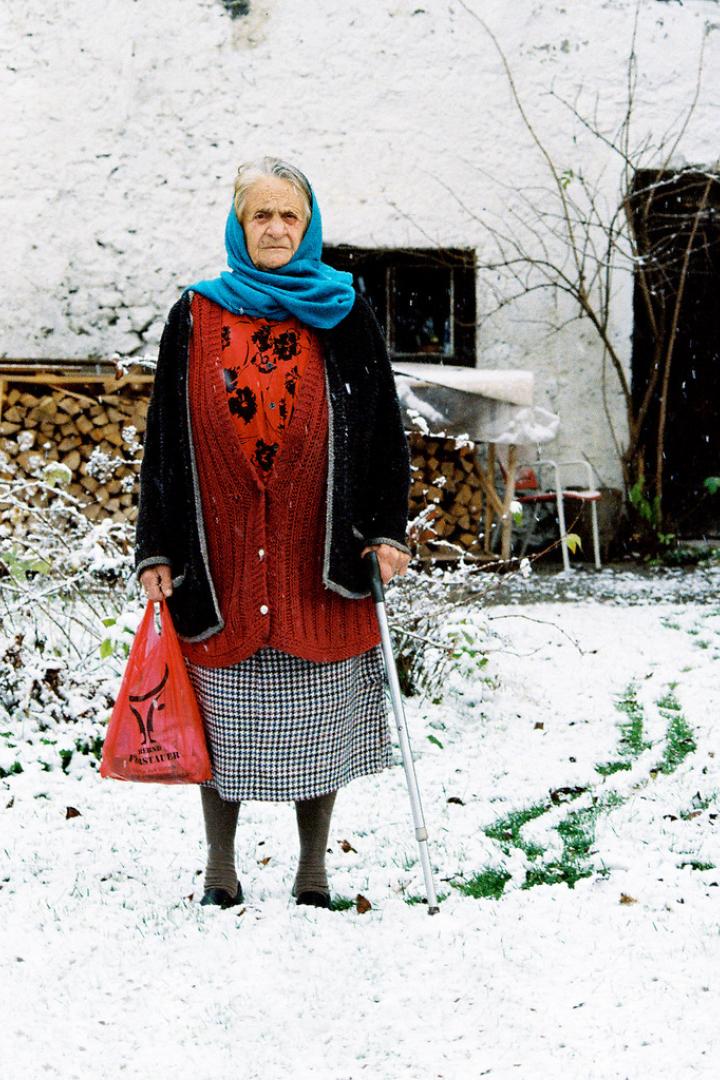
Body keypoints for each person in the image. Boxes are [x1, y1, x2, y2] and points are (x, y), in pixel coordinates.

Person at [135, 157, 411, 910]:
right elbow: (164, 434)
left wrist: (387, 528)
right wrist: (156, 546)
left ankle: (313, 869)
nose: (277, 228)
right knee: (219, 710)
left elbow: (383, 424)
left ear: (309, 224)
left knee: (317, 708)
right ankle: (220, 868)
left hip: (319, 544)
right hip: (217, 548)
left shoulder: (345, 307)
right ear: (238, 223)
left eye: (290, 215)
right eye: (262, 215)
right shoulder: (195, 314)